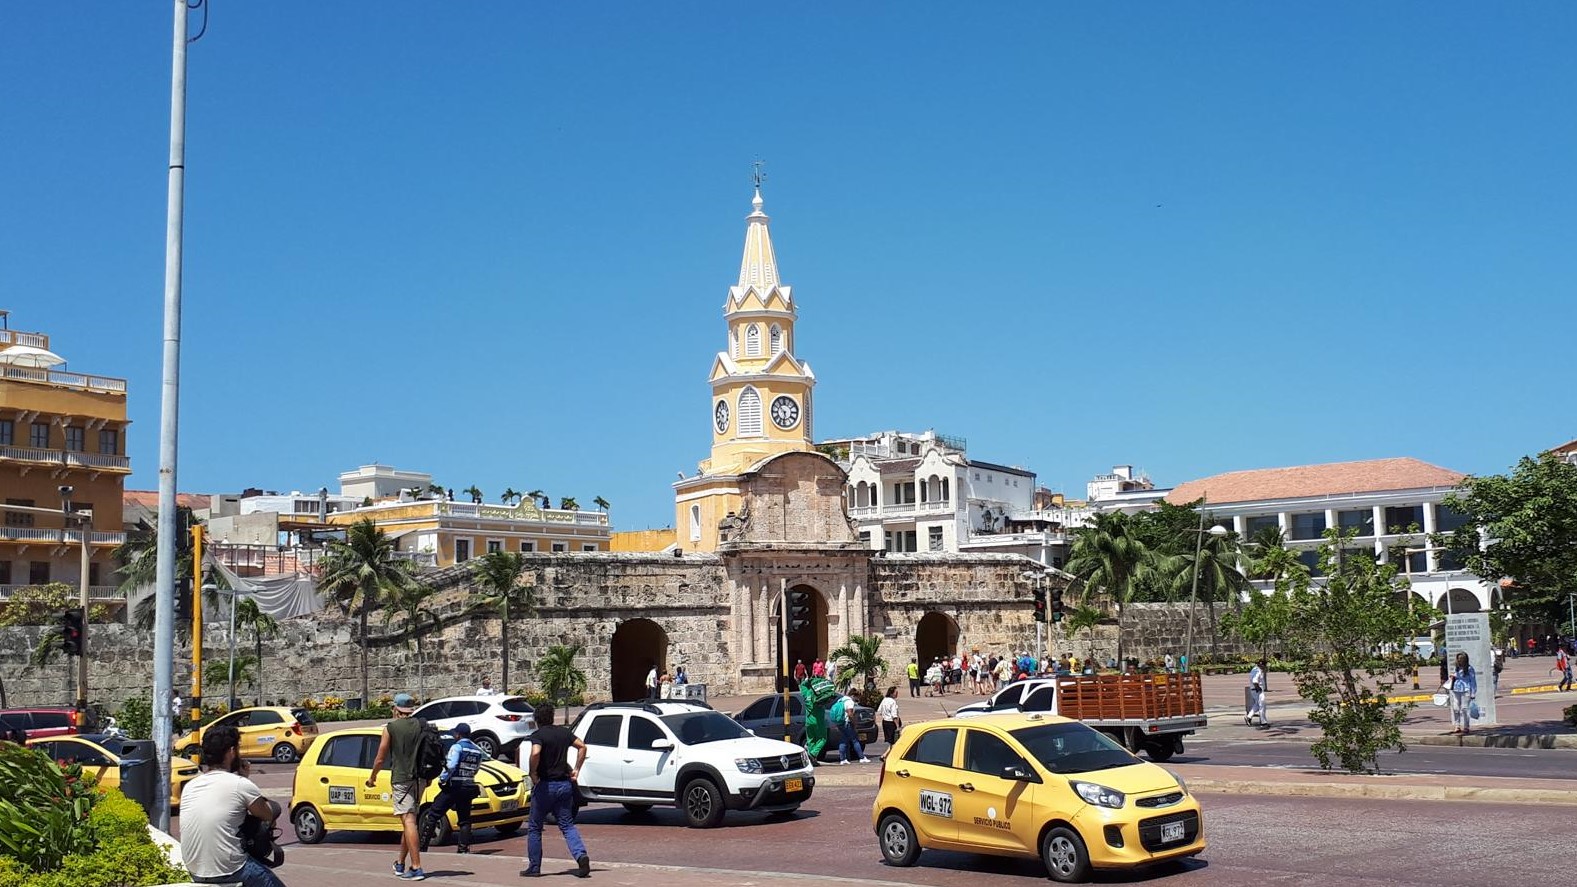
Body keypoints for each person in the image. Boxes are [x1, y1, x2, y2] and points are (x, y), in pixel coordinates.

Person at [522, 704, 590, 879]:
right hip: (564, 784)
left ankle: (534, 867)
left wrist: (533, 772)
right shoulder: (563, 733)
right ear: (552, 717)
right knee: (567, 825)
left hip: (545, 785)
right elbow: (582, 746)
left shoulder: (538, 735)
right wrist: (576, 769)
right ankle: (581, 855)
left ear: (537, 719)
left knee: (535, 827)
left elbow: (536, 753)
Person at [366, 692, 427, 881]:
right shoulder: (421, 724)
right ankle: (400, 863)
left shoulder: (391, 728)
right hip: (420, 780)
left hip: (402, 779)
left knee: (409, 822)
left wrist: (372, 777)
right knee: (409, 823)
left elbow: (380, 757)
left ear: (396, 709)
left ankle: (416, 867)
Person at [420, 722, 484, 854]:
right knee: (464, 819)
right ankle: (463, 849)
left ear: (458, 734)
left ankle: (422, 846)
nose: (454, 735)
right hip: (468, 786)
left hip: (454, 786)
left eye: (455, 733)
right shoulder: (477, 750)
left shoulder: (457, 747)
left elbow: (451, 766)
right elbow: (476, 769)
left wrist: (443, 779)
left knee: (433, 813)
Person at [830, 688, 869, 764]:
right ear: (854, 695)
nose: (857, 699)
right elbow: (850, 714)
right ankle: (862, 757)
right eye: (857, 697)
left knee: (843, 740)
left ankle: (843, 759)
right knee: (855, 740)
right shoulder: (849, 702)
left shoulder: (841, 700)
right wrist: (855, 724)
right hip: (847, 723)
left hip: (840, 723)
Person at [1448, 651, 1477, 736]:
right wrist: (1453, 676)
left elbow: (1473, 681)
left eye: (1461, 659)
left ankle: (1466, 726)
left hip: (1466, 690)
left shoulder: (1469, 668)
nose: (1459, 661)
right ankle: (1457, 725)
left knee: (1465, 709)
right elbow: (1456, 676)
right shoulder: (1457, 668)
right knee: (1455, 708)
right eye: (1458, 659)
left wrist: (1473, 693)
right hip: (1456, 689)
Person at [1244, 659, 1269, 727]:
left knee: (1257, 705)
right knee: (1262, 705)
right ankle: (1263, 722)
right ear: (1261, 665)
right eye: (1265, 665)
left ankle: (1248, 717)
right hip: (1257, 690)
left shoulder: (1254, 669)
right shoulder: (1258, 670)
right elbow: (1255, 680)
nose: (1265, 667)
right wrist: (1258, 688)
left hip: (1254, 690)